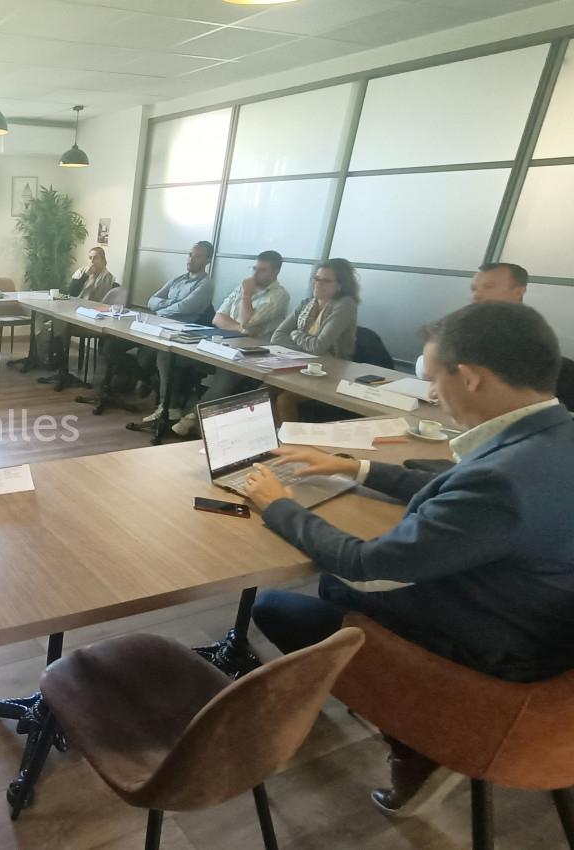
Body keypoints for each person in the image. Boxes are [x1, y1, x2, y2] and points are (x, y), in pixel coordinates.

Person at [244, 301, 574, 816]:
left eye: (434, 377)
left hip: (500, 657)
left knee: (295, 601)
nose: (432, 394)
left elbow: (367, 567)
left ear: (469, 377)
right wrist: (354, 468)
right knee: (330, 591)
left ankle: (415, 744)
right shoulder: (553, 436)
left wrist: (278, 506)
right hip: (543, 628)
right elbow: (458, 495)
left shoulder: (503, 481)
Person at [416, 262, 573, 410]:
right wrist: (442, 382)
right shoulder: (465, 322)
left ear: (518, 292)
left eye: (488, 287)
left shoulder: (529, 333)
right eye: (474, 289)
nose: (477, 295)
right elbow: (426, 366)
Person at [170, 250, 291, 436]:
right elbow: (218, 318)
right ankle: (170, 407)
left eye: (262, 271)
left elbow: (248, 322)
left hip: (254, 352)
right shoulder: (243, 287)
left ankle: (193, 418)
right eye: (254, 268)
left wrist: (246, 297)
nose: (255, 274)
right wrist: (240, 328)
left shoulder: (279, 296)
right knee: (173, 355)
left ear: (276, 273)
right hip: (224, 341)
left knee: (226, 371)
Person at [125, 241, 216, 428]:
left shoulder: (206, 284)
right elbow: (152, 300)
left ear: (207, 260)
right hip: (162, 326)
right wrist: (166, 307)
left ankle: (167, 405)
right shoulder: (178, 279)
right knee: (137, 347)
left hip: (184, 333)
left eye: (197, 256)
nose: (191, 259)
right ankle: (151, 385)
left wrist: (163, 307)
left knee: (159, 355)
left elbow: (186, 307)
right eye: (190, 254)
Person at [268, 257, 360, 421]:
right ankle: (273, 442)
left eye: (326, 281)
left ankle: (292, 446)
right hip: (301, 364)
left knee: (285, 400)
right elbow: (277, 336)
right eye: (316, 279)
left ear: (340, 285)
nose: (318, 284)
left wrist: (296, 334)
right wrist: (306, 344)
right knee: (263, 391)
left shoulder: (345, 305)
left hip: (332, 371)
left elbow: (318, 347)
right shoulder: (307, 303)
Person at [38, 247, 126, 388]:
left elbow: (102, 302)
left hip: (92, 316)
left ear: (103, 260)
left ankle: (60, 366)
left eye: (95, 257)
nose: (92, 261)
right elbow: (71, 292)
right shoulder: (81, 272)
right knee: (55, 323)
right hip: (74, 310)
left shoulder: (109, 278)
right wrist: (85, 276)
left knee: (58, 325)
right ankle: (59, 366)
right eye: (90, 257)